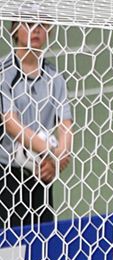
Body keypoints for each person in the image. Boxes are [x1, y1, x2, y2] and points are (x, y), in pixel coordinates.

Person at [1, 12, 73, 229]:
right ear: (14, 29)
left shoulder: (55, 78)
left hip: (41, 173)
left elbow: (66, 124)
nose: (37, 29)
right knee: (9, 250)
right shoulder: (4, 75)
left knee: (42, 245)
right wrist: (51, 153)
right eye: (30, 23)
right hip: (7, 176)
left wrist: (59, 160)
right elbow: (11, 124)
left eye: (42, 24)